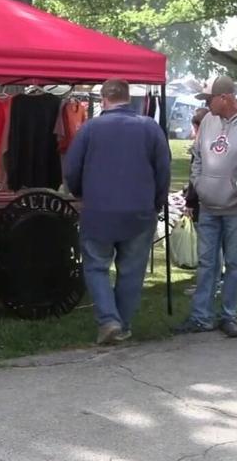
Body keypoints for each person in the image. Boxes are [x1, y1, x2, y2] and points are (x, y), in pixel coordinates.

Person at [64, 79, 171, 344]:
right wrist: (156, 202)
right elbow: (163, 170)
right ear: (128, 97)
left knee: (96, 267)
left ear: (104, 99)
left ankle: (109, 320)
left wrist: (80, 194)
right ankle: (122, 324)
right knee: (132, 271)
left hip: (99, 210)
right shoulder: (150, 128)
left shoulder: (90, 128)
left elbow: (72, 170)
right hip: (139, 210)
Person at [174, 75, 237, 338]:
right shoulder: (209, 121)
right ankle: (201, 316)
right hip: (209, 205)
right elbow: (197, 156)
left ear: (225, 97)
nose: (205, 103)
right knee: (206, 263)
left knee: (234, 264)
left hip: (236, 208)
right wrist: (199, 184)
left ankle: (228, 315)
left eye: (209, 98)